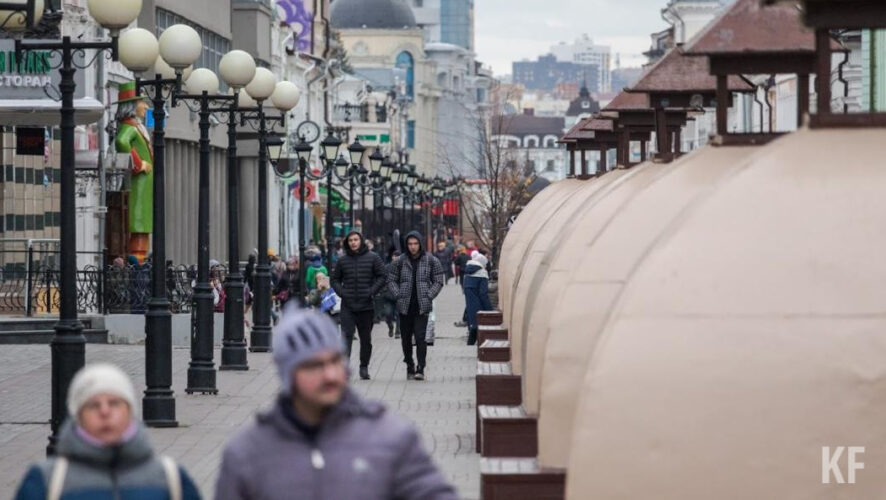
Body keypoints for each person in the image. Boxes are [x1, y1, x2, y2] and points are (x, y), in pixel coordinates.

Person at [214, 307, 457, 500]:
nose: (329, 375)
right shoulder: (248, 453)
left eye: (334, 361)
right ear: (288, 376)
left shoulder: (390, 437)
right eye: (313, 366)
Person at [14, 364, 201, 500]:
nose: (105, 412)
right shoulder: (46, 481)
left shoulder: (170, 479)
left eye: (114, 403)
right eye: (93, 405)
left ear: (129, 411)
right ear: (78, 416)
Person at [388, 231, 445, 380]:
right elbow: (391, 279)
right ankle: (409, 365)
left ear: (420, 244)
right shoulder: (400, 261)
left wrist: (429, 294)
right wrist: (398, 294)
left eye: (415, 243)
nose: (413, 247)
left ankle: (421, 367)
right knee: (406, 339)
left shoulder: (430, 260)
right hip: (405, 305)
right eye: (410, 244)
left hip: (422, 305)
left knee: (420, 338)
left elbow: (439, 279)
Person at [331, 231, 386, 380]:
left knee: (365, 339)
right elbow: (334, 279)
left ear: (361, 241)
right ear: (347, 243)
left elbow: (383, 275)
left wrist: (372, 291)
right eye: (350, 240)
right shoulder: (342, 260)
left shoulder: (373, 257)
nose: (353, 243)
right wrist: (342, 292)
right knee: (346, 337)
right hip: (348, 305)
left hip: (366, 306)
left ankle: (364, 367)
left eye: (356, 240)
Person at [463, 251, 493, 345]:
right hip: (480, 308)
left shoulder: (467, 273)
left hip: (470, 307)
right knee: (479, 330)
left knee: (473, 328)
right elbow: (483, 294)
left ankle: (468, 347)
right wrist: (490, 310)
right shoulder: (482, 274)